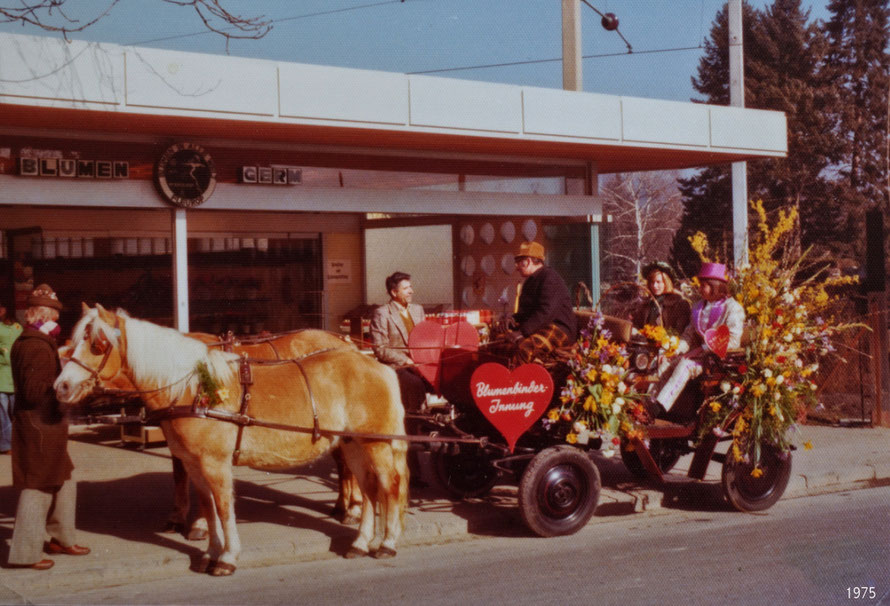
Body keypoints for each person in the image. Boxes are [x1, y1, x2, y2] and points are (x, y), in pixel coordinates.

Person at [7, 284, 90, 571]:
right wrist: (64, 388)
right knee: (38, 487)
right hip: (40, 426)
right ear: (43, 315)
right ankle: (25, 553)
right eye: (54, 314)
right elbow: (32, 392)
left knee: (65, 479)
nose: (57, 320)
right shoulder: (34, 346)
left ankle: (61, 538)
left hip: (46, 426)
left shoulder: (33, 341)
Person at [649, 263, 746, 420]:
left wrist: (701, 349)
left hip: (716, 359)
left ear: (715, 286)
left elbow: (733, 340)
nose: (700, 289)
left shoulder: (732, 308)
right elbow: (689, 335)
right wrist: (675, 350)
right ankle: (649, 403)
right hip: (698, 355)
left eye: (704, 286)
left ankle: (660, 406)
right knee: (663, 361)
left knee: (685, 366)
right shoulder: (698, 307)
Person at [369, 271, 430, 487]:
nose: (411, 291)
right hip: (397, 369)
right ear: (394, 292)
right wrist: (406, 360)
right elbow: (381, 349)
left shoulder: (418, 310)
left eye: (410, 287)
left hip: (422, 365)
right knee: (412, 399)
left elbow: (427, 340)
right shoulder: (382, 314)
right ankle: (412, 469)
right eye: (406, 288)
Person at [507, 241, 577, 363]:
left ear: (528, 261)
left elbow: (545, 312)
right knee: (503, 341)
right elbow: (527, 312)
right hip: (542, 326)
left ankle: (518, 381)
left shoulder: (549, 278)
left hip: (559, 329)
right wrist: (512, 320)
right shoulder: (530, 281)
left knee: (524, 348)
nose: (516, 266)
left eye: (519, 262)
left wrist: (521, 332)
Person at [631, 261, 691, 335]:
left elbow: (681, 330)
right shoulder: (646, 303)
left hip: (668, 344)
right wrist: (635, 330)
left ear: (666, 282)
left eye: (658, 282)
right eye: (652, 282)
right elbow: (636, 323)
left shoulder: (679, 304)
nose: (654, 286)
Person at [0, 299, 23, 454]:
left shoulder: (17, 327)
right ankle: (6, 445)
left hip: (15, 374)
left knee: (16, 411)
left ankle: (21, 442)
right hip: (1, 374)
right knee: (2, 411)